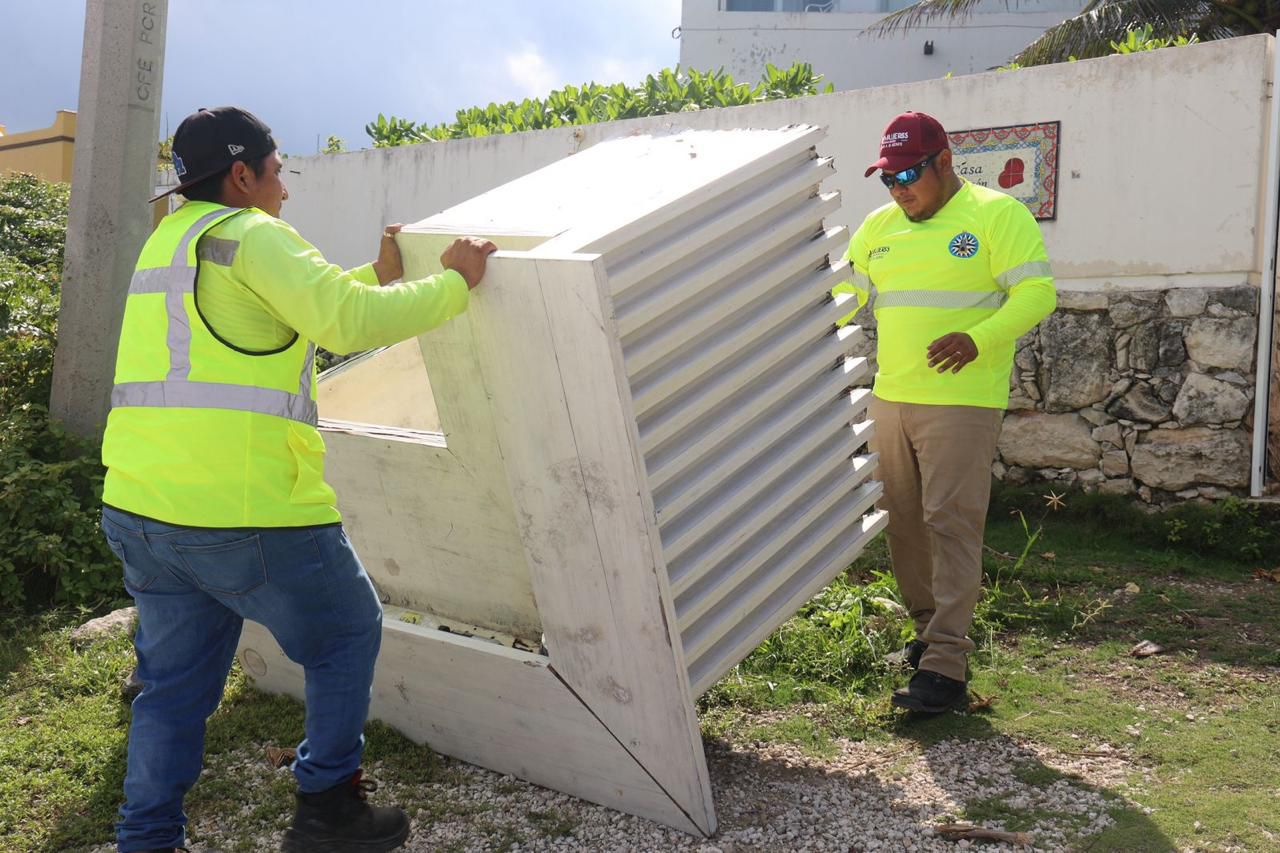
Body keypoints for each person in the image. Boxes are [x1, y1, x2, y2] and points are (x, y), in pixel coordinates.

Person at [99, 106, 496, 853]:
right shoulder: (255, 235)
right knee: (347, 630)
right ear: (243, 174)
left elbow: (271, 319)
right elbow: (343, 325)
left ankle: (146, 840)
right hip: (244, 510)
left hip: (142, 509)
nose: (285, 188)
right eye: (279, 171)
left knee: (173, 689)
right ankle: (327, 809)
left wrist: (377, 276)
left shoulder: (170, 242)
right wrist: (453, 284)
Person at [835, 111, 1056, 713]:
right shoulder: (879, 225)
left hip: (962, 400)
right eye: (887, 177)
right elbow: (844, 295)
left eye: (909, 173)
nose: (899, 188)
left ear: (943, 162)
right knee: (903, 522)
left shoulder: (996, 214)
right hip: (891, 397)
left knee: (951, 523)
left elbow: (1038, 293)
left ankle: (948, 664)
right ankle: (927, 636)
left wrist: (978, 338)